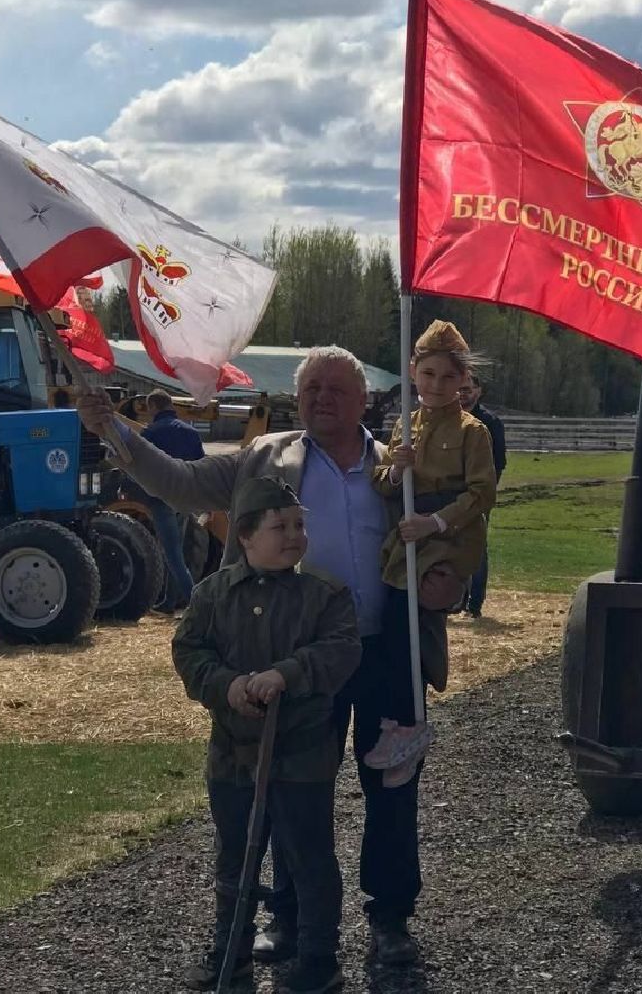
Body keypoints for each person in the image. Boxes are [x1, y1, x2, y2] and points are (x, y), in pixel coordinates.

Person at [77, 346, 451, 967]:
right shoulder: (265, 457)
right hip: (293, 658)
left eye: (336, 389)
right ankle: (289, 915)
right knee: (288, 788)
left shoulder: (400, 468)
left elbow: (447, 545)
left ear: (364, 401)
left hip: (388, 650)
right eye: (312, 389)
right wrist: (114, 429)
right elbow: (180, 483)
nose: (322, 399)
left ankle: (390, 920)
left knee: (393, 787)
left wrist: (451, 587)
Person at [172, 476, 360, 994]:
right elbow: (189, 652)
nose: (295, 535)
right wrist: (226, 686)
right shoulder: (212, 594)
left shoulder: (324, 596)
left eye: (300, 525)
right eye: (280, 527)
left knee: (309, 858)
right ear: (246, 535)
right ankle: (229, 955)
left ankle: (319, 959)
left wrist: (288, 674)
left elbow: (341, 650)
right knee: (235, 857)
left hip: (302, 757)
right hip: (233, 756)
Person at [368, 321, 495, 781]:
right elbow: (381, 482)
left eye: (448, 377)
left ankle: (411, 722)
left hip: (448, 537)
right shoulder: (407, 422)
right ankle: (402, 718)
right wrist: (398, 471)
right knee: (393, 627)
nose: (437, 386)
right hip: (409, 538)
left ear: (464, 379)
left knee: (410, 620)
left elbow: (482, 494)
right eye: (428, 374)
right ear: (413, 371)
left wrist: (435, 522)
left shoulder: (472, 431)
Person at [139, 388, 205, 612]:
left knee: (172, 554)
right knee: (176, 551)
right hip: (185, 499)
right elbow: (201, 465)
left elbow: (140, 466)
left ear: (154, 407)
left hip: (162, 498)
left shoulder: (150, 433)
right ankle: (168, 601)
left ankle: (197, 603)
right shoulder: (191, 432)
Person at [458, 370, 506, 619]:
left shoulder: (491, 422)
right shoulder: (449, 419)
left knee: (477, 546)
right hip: (453, 493)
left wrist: (485, 492)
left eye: (468, 390)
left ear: (478, 391)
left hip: (479, 493)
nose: (464, 395)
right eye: (460, 389)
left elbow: (499, 462)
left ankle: (474, 603)